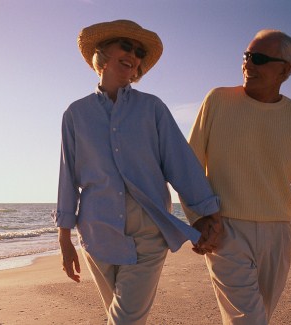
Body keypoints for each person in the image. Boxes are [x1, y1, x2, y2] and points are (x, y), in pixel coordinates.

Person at [52, 19, 221, 324]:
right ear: (102, 53)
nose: (134, 55)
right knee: (119, 318)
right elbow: (68, 179)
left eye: (139, 52)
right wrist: (64, 239)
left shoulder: (152, 108)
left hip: (148, 232)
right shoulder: (75, 114)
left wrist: (207, 214)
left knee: (124, 321)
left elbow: (180, 163)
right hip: (96, 233)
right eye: (126, 46)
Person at [184, 29, 291, 324]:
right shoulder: (217, 100)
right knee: (248, 320)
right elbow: (188, 165)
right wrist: (198, 218)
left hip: (279, 234)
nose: (248, 64)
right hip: (226, 230)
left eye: (258, 58)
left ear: (285, 70)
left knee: (260, 316)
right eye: (246, 56)